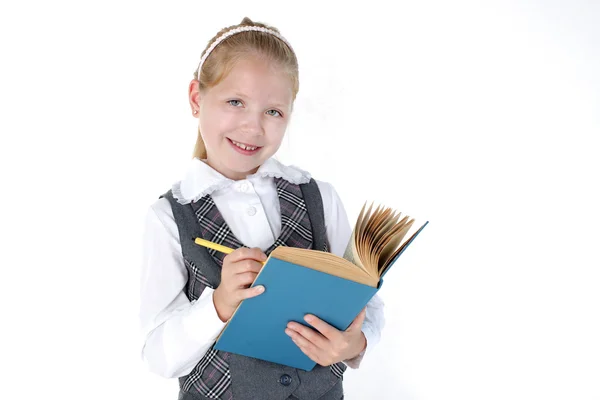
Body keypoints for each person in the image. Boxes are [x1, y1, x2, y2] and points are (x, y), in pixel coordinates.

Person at [139, 16, 385, 400]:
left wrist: (352, 346)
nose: (253, 127)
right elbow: (157, 355)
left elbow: (366, 304)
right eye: (235, 102)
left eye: (273, 112)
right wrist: (217, 305)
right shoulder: (170, 217)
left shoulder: (320, 197)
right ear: (196, 99)